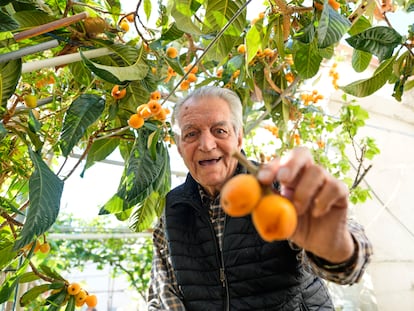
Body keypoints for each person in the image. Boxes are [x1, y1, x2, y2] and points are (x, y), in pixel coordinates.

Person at [147, 86, 373, 310]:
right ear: (179, 148)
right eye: (191, 134)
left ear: (239, 138)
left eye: (219, 131)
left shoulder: (280, 188)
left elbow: (349, 267)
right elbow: (163, 293)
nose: (206, 145)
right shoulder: (173, 209)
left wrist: (336, 248)